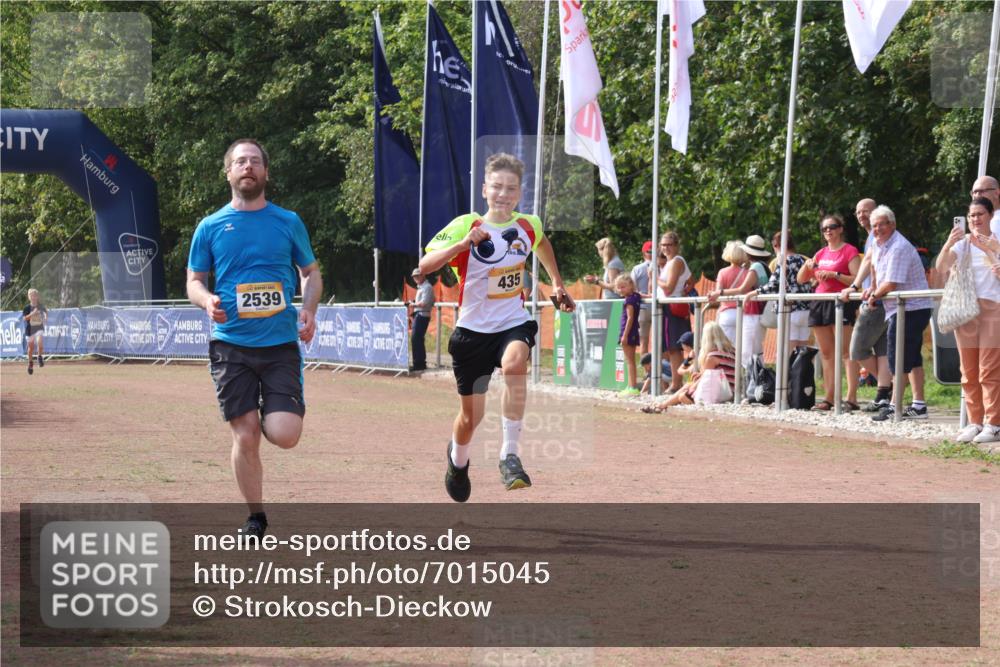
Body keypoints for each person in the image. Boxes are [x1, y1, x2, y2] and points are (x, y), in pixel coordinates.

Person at [420, 152, 575, 502]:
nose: (503, 194)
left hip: (511, 322)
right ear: (484, 189)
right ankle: (458, 461)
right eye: (497, 186)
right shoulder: (467, 224)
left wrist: (557, 282)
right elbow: (426, 264)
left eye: (511, 188)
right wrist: (462, 244)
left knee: (515, 363)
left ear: (519, 193)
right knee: (470, 418)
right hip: (472, 332)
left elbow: (541, 242)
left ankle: (509, 456)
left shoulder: (528, 225)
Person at [187, 138, 323, 538]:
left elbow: (310, 272)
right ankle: (255, 517)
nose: (248, 167)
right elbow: (194, 281)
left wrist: (309, 309)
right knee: (245, 434)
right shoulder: (210, 226)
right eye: (240, 161)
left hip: (279, 346)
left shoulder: (288, 221)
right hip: (230, 345)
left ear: (265, 172)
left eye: (255, 162)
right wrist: (207, 300)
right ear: (228, 172)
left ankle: (269, 409)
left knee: (284, 434)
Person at [844, 205, 932, 422]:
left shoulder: (899, 246)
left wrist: (874, 296)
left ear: (892, 224)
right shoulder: (878, 243)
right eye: (874, 225)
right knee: (911, 356)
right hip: (900, 308)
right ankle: (918, 405)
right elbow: (874, 266)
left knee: (897, 356)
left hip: (911, 308)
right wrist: (872, 287)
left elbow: (891, 283)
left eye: (882, 224)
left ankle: (894, 405)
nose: (877, 229)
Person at [935, 198, 1000, 447]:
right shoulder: (963, 244)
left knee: (989, 369)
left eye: (980, 214)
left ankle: (994, 423)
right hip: (966, 309)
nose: (975, 219)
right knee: (968, 371)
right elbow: (941, 267)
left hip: (994, 308)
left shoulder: (996, 241)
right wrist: (948, 243)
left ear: (990, 215)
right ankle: (976, 422)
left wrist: (995, 249)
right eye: (971, 215)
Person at [797, 214, 862, 411]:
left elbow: (856, 279)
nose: (828, 231)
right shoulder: (820, 253)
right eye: (824, 228)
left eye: (832, 227)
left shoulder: (849, 251)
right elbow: (801, 279)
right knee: (826, 353)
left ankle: (851, 398)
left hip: (841, 301)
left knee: (846, 351)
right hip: (820, 302)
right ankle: (829, 397)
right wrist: (807, 266)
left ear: (840, 229)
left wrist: (835, 275)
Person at [843, 198, 893, 412]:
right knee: (882, 350)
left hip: (877, 300)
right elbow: (869, 263)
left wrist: (856, 287)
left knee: (857, 349)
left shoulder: (879, 235)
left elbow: (873, 265)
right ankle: (884, 391)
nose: (861, 215)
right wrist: (857, 287)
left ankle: (891, 386)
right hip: (874, 298)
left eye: (866, 211)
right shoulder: (872, 237)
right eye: (858, 212)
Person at [641, 324, 736, 413]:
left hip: (720, 392)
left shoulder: (711, 356)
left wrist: (692, 385)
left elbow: (701, 377)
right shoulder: (732, 352)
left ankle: (662, 406)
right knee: (686, 389)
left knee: (683, 395)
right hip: (730, 389)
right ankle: (662, 405)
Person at [745, 232, 812, 348]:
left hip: (789, 309)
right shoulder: (802, 259)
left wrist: (753, 293)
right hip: (806, 309)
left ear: (776, 245)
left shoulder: (784, 261)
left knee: (788, 351)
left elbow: (773, 285)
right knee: (802, 350)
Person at [657, 231, 693, 392]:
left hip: (672, 307)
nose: (665, 248)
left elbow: (668, 289)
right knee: (672, 348)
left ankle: (676, 384)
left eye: (669, 245)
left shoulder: (677, 261)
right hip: (670, 306)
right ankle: (676, 383)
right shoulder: (671, 262)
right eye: (663, 245)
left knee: (675, 347)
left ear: (677, 245)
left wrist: (656, 278)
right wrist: (684, 291)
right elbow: (691, 281)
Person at [707, 241, 753, 350]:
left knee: (727, 349)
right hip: (744, 313)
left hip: (726, 314)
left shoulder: (723, 272)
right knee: (743, 348)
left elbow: (718, 294)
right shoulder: (748, 273)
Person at [615, 274, 641, 396]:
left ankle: (632, 387)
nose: (620, 289)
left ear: (631, 285)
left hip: (628, 331)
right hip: (633, 331)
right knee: (631, 360)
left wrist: (624, 336)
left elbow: (630, 318)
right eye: (619, 287)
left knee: (629, 361)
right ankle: (631, 385)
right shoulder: (636, 296)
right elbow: (642, 295)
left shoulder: (629, 300)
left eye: (623, 287)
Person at [630, 240, 654, 356]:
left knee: (644, 341)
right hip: (658, 305)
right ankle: (660, 366)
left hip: (643, 306)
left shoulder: (637, 269)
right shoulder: (662, 267)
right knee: (660, 341)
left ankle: (646, 366)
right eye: (651, 251)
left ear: (643, 253)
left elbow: (632, 289)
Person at [408, 268, 434, 372]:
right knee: (417, 339)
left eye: (417, 276)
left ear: (423, 275)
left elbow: (424, 303)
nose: (415, 278)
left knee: (416, 339)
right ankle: (419, 363)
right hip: (419, 315)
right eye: (414, 276)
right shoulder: (422, 287)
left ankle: (419, 364)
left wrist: (413, 304)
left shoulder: (427, 287)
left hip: (422, 315)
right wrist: (413, 303)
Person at [22, 288, 48, 375]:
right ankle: (30, 363)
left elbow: (45, 311)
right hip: (30, 330)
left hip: (39, 327)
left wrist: (45, 317)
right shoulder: (27, 308)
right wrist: (32, 313)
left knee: (40, 343)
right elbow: (25, 318)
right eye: (31, 296)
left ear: (37, 297)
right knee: (31, 348)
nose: (33, 297)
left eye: (35, 295)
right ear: (29, 297)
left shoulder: (40, 306)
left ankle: (39, 357)